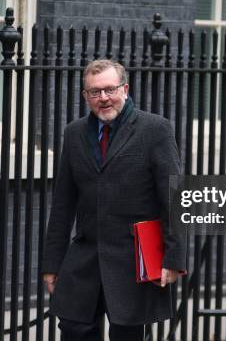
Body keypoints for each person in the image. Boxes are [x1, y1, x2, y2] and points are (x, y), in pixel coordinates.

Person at [42, 59, 187, 341]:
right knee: (73, 329)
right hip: (84, 259)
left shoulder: (155, 129)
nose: (103, 98)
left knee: (127, 334)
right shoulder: (74, 133)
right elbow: (62, 204)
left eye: (110, 89)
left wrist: (173, 258)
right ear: (86, 96)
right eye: (95, 92)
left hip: (133, 260)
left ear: (125, 89)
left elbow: (174, 197)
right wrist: (52, 264)